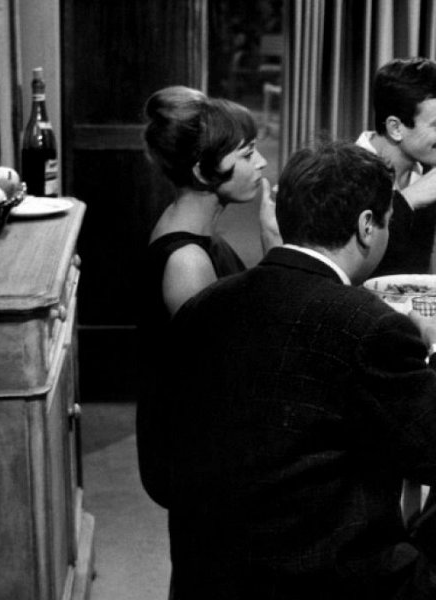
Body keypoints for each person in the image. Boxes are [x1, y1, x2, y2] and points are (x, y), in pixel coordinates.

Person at [150, 141, 436, 599]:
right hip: (331, 584)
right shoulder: (366, 324)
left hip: (207, 580)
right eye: (388, 221)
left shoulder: (201, 307)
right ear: (366, 227)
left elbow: (162, 468)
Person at [136, 85, 275, 506]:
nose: (261, 163)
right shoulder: (187, 261)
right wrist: (276, 251)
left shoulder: (193, 230)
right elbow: (225, 379)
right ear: (202, 171)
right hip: (193, 457)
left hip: (206, 438)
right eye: (247, 154)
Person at [357, 57, 436, 276]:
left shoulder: (424, 174)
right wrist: (407, 201)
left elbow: (415, 274)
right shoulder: (343, 177)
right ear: (395, 128)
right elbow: (345, 272)